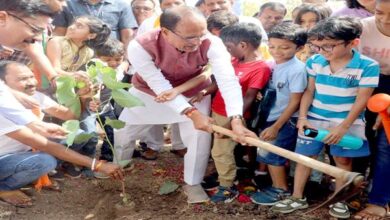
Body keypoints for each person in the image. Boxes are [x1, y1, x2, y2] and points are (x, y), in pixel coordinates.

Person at [115, 6, 256, 204]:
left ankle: (193, 182)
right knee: (124, 131)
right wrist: (191, 113)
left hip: (194, 94)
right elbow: (159, 86)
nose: (197, 42)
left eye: (201, 34)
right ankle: (117, 167)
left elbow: (228, 81)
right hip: (148, 93)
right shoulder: (139, 46)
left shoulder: (212, 43)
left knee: (199, 138)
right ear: (165, 32)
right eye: (190, 37)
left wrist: (236, 118)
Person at [0, 0, 123, 207]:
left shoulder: (33, 89)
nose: (40, 38)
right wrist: (97, 164)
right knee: (47, 146)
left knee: (60, 139)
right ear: (3, 18)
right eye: (35, 29)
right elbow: (39, 139)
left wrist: (81, 95)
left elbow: (69, 115)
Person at [271, 17, 380, 219]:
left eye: (328, 46)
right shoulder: (315, 61)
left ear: (353, 42)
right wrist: (303, 118)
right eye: (316, 46)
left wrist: (342, 128)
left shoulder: (368, 66)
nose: (322, 51)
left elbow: (361, 101)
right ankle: (297, 197)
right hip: (314, 119)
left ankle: (340, 200)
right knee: (304, 157)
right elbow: (309, 91)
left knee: (342, 159)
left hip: (348, 123)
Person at [207, 23, 271, 203]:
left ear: (243, 45)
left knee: (221, 151)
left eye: (229, 47)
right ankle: (225, 176)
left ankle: (227, 186)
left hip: (233, 117)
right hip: (218, 110)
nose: (227, 52)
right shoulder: (235, 60)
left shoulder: (260, 68)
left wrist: (232, 121)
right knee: (221, 150)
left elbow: (250, 97)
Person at [250, 23, 308, 206]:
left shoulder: (297, 70)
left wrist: (276, 126)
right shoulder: (271, 63)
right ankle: (277, 185)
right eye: (272, 46)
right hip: (270, 115)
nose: (276, 51)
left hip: (285, 119)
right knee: (267, 152)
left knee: (273, 155)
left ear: (299, 48)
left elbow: (295, 101)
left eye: (284, 47)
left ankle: (280, 190)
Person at [354, 0, 390, 218]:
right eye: (380, 13)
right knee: (361, 138)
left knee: (386, 144)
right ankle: (354, 187)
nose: (386, 20)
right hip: (364, 85)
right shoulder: (361, 28)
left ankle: (379, 200)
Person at [53, 0, 137, 49]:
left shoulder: (122, 5)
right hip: (75, 59)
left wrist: (125, 62)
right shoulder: (68, 4)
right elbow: (59, 34)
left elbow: (127, 37)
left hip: (110, 59)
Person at [47, 16, 111, 75]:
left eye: (79, 26)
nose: (71, 27)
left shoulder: (88, 52)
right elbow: (54, 70)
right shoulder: (57, 42)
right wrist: (75, 75)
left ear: (91, 35)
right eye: (73, 23)